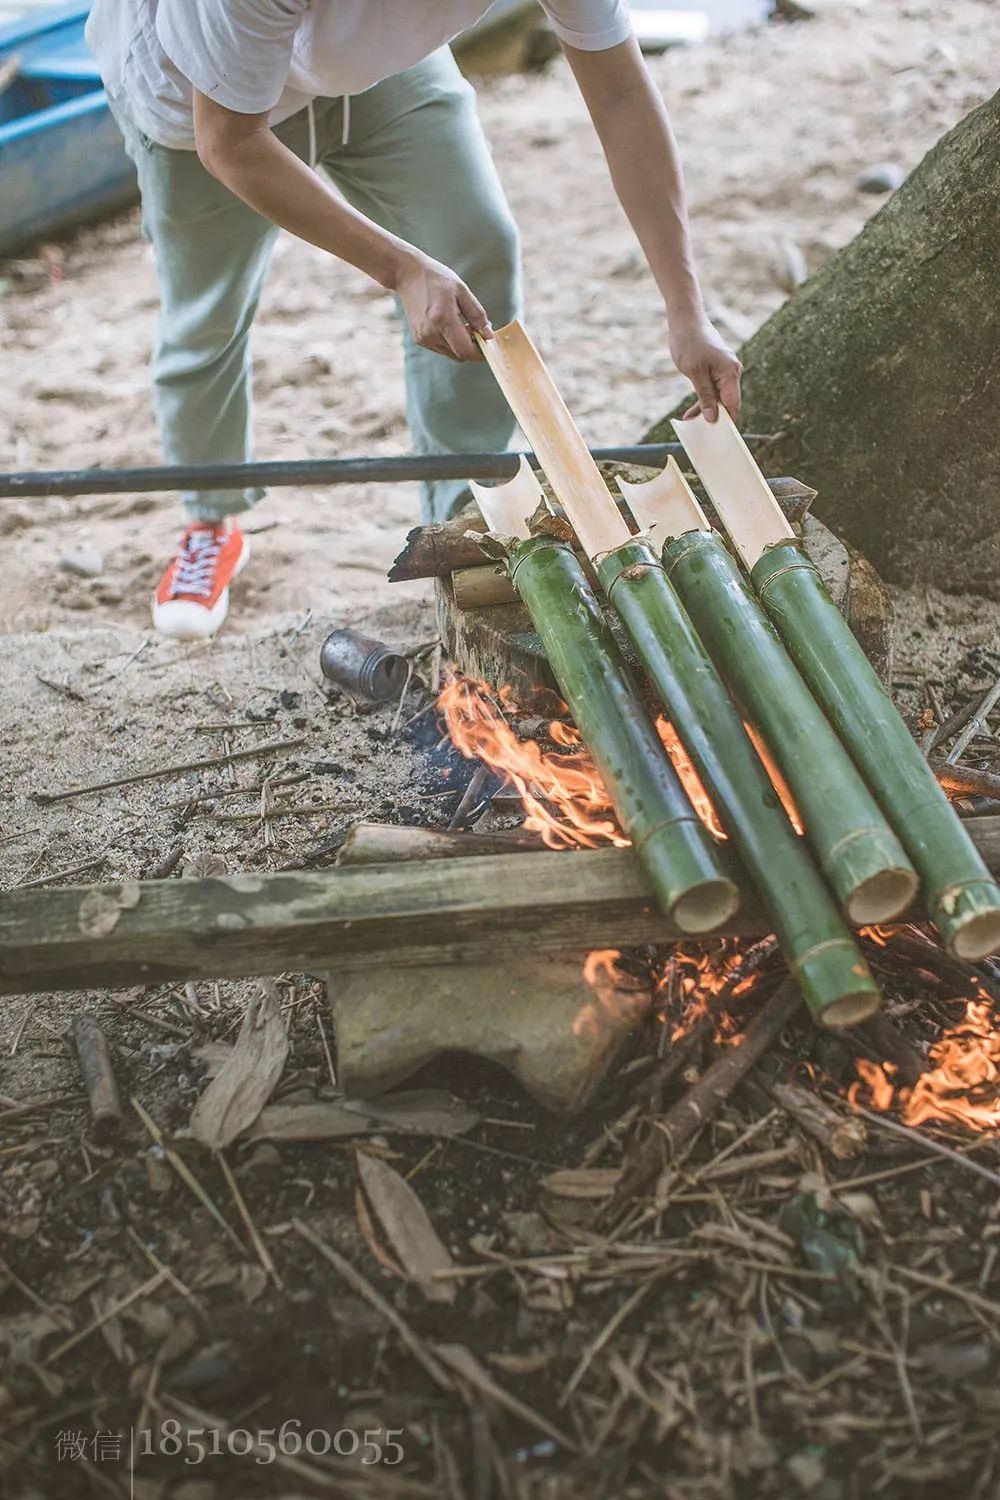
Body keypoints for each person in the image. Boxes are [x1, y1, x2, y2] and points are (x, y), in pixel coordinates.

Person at [86, 0, 743, 639]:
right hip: (201, 87)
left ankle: (464, 513)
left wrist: (687, 312)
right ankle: (211, 521)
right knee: (208, 315)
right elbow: (229, 141)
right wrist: (400, 267)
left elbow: (620, 95)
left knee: (475, 244)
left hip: (374, 70)